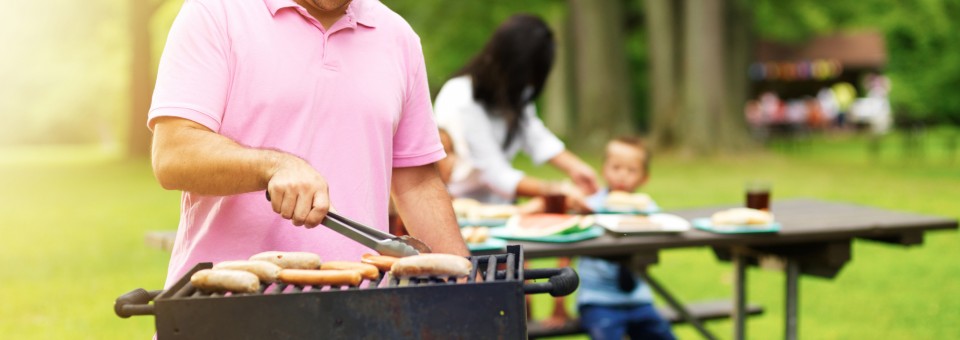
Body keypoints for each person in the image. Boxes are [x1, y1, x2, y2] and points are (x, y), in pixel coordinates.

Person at [149, 0, 468, 288]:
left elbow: (419, 183)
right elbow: (173, 154)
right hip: (221, 306)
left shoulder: (399, 38)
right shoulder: (214, 13)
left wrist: (475, 294)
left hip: (359, 312)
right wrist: (273, 166)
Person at [433, 14, 599, 210]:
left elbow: (535, 135)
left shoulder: (516, 91)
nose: (529, 84)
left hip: (504, 208)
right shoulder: (461, 97)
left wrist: (577, 168)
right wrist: (556, 190)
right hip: (464, 209)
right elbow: (492, 173)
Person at [578, 136, 676, 340]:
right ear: (604, 169)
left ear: (644, 177)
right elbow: (566, 252)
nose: (622, 175)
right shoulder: (588, 206)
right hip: (598, 300)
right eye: (616, 167)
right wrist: (558, 305)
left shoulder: (647, 209)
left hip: (638, 298)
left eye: (631, 170)